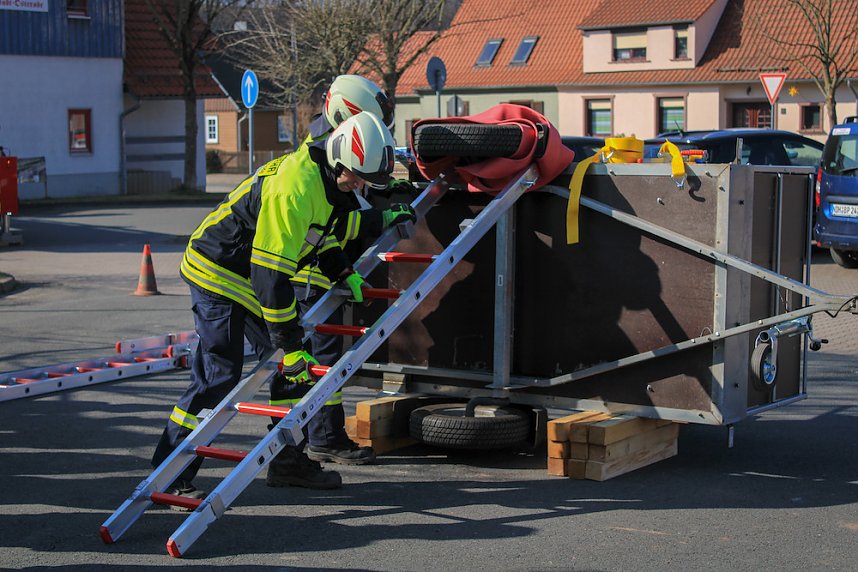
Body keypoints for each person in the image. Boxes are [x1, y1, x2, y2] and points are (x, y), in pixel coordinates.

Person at [150, 111, 400, 504]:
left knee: (293, 371)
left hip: (252, 276)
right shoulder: (296, 186)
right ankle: (169, 472)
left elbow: (320, 236)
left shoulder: (330, 183)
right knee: (222, 373)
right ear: (338, 160)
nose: (359, 186)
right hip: (218, 270)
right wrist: (290, 344)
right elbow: (271, 277)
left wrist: (342, 271)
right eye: (356, 177)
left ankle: (287, 461)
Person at [278, 74, 417, 466]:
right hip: (313, 273)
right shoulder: (330, 151)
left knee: (322, 361)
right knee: (318, 362)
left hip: (327, 267)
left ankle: (318, 439)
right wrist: (385, 211)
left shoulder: (330, 139)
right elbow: (348, 215)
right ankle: (322, 439)